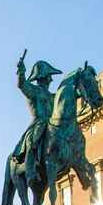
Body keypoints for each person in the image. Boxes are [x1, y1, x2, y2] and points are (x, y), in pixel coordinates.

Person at [11, 51, 62, 187]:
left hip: (51, 123)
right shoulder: (33, 90)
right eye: (49, 76)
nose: (51, 79)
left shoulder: (52, 95)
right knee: (33, 141)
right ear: (44, 77)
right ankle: (30, 172)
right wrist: (21, 71)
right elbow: (22, 85)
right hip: (39, 122)